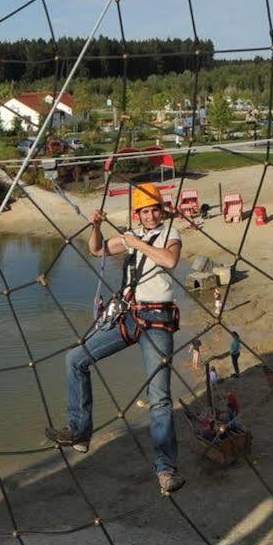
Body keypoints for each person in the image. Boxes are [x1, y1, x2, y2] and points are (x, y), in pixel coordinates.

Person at [45, 184, 187, 495]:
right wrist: (95, 226)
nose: (150, 216)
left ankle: (166, 471)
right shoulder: (131, 236)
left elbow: (170, 261)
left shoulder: (170, 233)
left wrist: (136, 241)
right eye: (144, 211)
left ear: (162, 211)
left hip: (157, 321)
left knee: (159, 397)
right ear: (138, 213)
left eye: (154, 210)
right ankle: (80, 432)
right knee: (75, 359)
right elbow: (97, 250)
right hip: (128, 317)